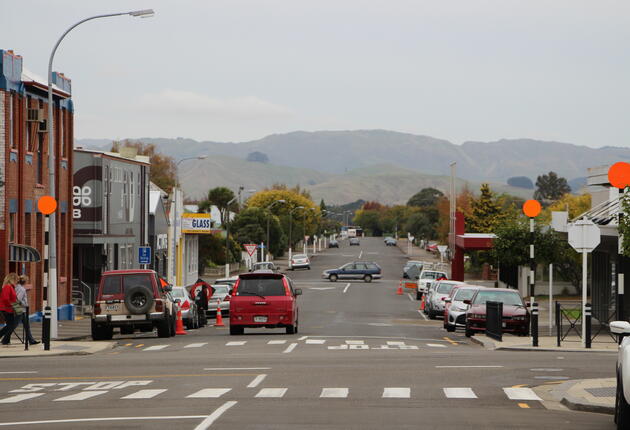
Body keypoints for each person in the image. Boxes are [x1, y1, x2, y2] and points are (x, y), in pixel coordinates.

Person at [15, 276, 38, 345]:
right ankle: (5, 338)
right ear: (25, 282)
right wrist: (25, 304)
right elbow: (18, 299)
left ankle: (31, 340)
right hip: (21, 309)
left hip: (19, 308)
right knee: (13, 325)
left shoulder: (16, 287)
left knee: (26, 325)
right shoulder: (22, 289)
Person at [0, 273, 20, 345]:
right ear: (12, 279)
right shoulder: (8, 287)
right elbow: (6, 299)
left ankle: (6, 340)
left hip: (9, 308)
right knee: (10, 325)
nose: (17, 281)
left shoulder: (11, 287)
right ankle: (4, 339)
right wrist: (13, 305)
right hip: (6, 309)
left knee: (10, 325)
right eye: (16, 279)